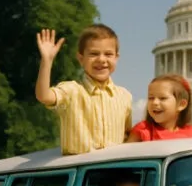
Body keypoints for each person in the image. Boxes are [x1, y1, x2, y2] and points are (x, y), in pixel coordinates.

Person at [34, 25, 132, 155]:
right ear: (81, 59)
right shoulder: (71, 91)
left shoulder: (125, 96)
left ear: (116, 58)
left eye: (108, 54)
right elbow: (43, 96)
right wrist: (47, 60)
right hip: (81, 172)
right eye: (93, 54)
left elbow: (128, 137)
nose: (101, 59)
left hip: (114, 172)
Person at [126, 74, 192, 142]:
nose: (155, 102)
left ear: (181, 105)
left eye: (162, 98)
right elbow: (126, 155)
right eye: (151, 98)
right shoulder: (142, 130)